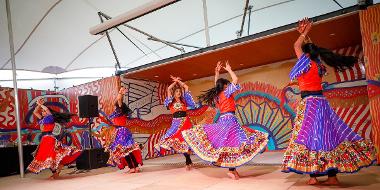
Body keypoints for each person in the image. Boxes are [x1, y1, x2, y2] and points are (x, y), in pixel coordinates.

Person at [281, 18, 377, 185]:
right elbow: (308, 49)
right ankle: (332, 177)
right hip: (322, 103)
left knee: (309, 138)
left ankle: (313, 177)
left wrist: (304, 33)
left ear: (306, 55)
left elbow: (297, 46)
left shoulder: (306, 63)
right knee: (327, 137)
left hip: (310, 104)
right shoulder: (318, 66)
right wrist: (305, 36)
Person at [182, 61, 269, 180]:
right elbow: (236, 79)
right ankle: (232, 170)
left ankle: (232, 170)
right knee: (236, 143)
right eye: (227, 84)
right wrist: (229, 70)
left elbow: (216, 85)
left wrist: (216, 73)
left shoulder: (218, 95)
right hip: (230, 120)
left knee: (231, 145)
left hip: (223, 120)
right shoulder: (226, 92)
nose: (229, 86)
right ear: (224, 86)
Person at [27, 98, 82, 179]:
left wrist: (41, 105)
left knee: (51, 156)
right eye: (42, 111)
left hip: (50, 139)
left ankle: (57, 170)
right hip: (44, 140)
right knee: (46, 157)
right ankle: (56, 170)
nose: (43, 112)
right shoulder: (42, 119)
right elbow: (35, 112)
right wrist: (38, 105)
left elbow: (47, 111)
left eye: (44, 111)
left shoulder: (50, 118)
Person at [155, 75, 196, 170]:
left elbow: (186, 87)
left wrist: (180, 82)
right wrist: (175, 82)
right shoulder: (171, 102)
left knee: (186, 141)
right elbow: (169, 88)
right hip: (176, 123)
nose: (179, 93)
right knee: (175, 139)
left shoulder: (184, 101)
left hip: (186, 122)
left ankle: (188, 162)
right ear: (174, 93)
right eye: (177, 91)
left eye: (180, 92)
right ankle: (188, 161)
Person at [106, 87, 140, 173]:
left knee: (123, 150)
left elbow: (119, 99)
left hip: (122, 131)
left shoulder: (120, 109)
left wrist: (121, 93)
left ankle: (133, 167)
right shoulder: (119, 111)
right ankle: (135, 166)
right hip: (123, 131)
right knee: (127, 150)